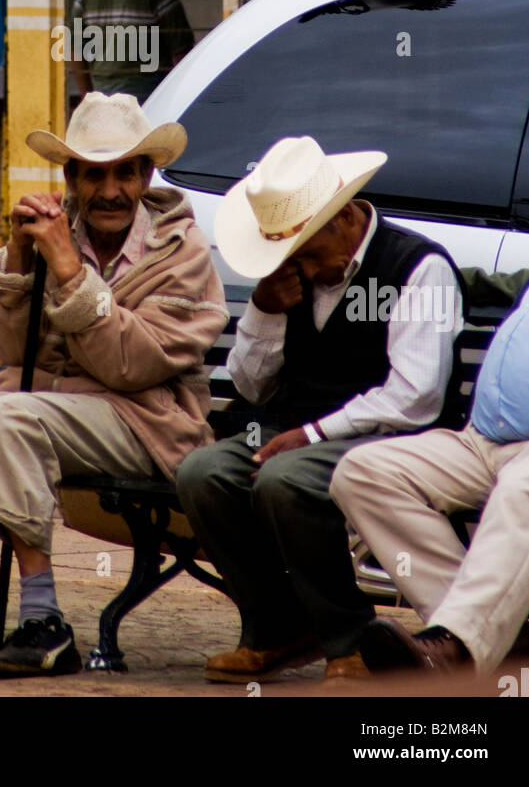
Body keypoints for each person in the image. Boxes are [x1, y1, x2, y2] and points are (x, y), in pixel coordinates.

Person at [0, 92, 228, 679]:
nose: (110, 191)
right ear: (70, 177)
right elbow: (9, 350)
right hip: (55, 404)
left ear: (146, 174)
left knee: (11, 416)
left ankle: (44, 623)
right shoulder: (56, 232)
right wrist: (22, 263)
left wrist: (70, 273)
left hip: (143, 420)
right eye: (93, 174)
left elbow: (135, 365)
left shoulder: (181, 248)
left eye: (124, 172)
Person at [176, 135, 465, 683]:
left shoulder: (418, 266)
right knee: (203, 472)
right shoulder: (294, 274)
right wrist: (261, 311)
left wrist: (312, 433)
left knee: (286, 479)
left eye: (309, 253)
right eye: (292, 256)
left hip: (394, 441)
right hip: (299, 433)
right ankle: (280, 626)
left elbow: (415, 397)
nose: (303, 272)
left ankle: (350, 637)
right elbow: (249, 387)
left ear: (346, 216)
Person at [330, 263, 529, 678]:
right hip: (482, 440)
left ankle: (455, 649)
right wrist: (415, 269)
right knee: (363, 471)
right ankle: (505, 645)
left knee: (524, 490)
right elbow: (485, 283)